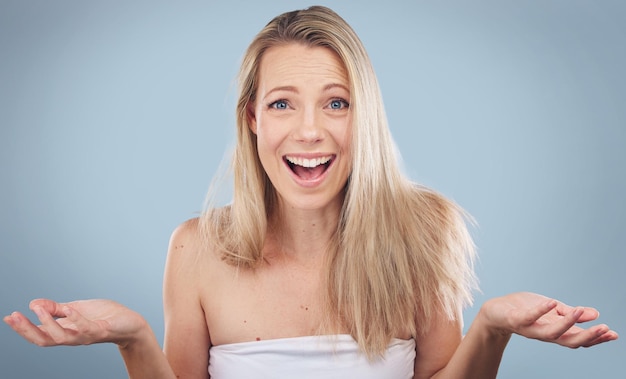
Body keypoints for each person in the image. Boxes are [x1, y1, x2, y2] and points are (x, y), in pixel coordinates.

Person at [3, 6, 618, 379]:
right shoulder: (196, 248)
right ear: (251, 118)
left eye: (336, 103)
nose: (309, 131)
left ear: (365, 116)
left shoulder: (426, 230)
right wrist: (133, 338)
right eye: (281, 104)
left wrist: (492, 327)